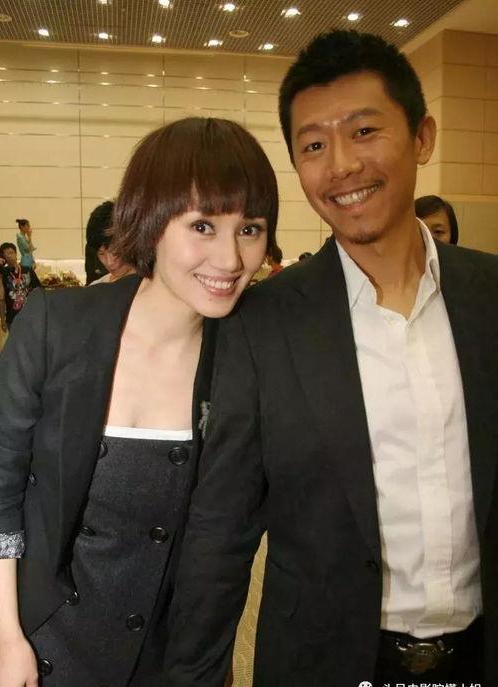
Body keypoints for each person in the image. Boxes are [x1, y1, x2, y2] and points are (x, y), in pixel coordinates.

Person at [163, 31, 498, 687]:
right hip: (323, 661)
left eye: (364, 131)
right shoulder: (262, 323)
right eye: (313, 146)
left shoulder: (491, 297)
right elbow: (222, 528)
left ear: (422, 137)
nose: (341, 165)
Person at [0, 116, 278, 687]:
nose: (230, 259)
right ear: (150, 221)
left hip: (166, 659)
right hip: (37, 645)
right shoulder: (57, 328)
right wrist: (6, 638)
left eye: (249, 228)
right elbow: (1, 490)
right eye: (202, 226)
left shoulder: (247, 359)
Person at [85, 200, 135, 285]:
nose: (110, 262)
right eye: (101, 254)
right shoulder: (97, 286)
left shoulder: (152, 284)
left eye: (116, 252)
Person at [0, 242, 41, 332]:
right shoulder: (3, 273)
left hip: (30, 316)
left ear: (16, 254)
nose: (10, 256)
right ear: (3, 257)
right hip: (12, 318)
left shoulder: (27, 270)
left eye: (12, 252)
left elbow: (39, 290)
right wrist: (2, 320)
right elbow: (1, 299)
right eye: (7, 253)